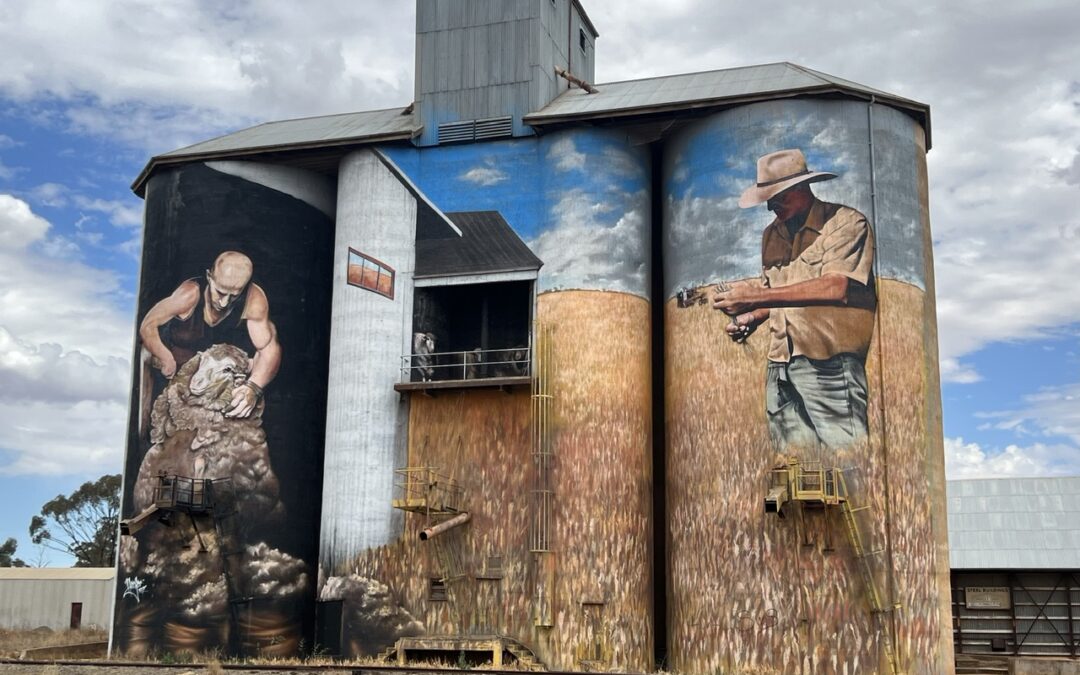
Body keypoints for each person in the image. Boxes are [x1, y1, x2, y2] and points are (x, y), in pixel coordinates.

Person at [713, 149, 876, 451]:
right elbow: (778, 290)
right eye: (768, 201)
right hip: (779, 363)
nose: (771, 207)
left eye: (778, 198)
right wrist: (754, 316)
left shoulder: (845, 223)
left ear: (802, 188)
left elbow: (835, 287)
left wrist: (754, 297)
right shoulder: (771, 234)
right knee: (793, 466)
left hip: (830, 365)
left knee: (848, 461)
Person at [139, 250, 280, 418]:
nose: (224, 302)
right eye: (220, 292)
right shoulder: (189, 294)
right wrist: (165, 356)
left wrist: (253, 387)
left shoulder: (253, 299)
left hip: (216, 382)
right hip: (172, 375)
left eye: (234, 295)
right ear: (209, 276)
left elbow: (269, 349)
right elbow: (147, 325)